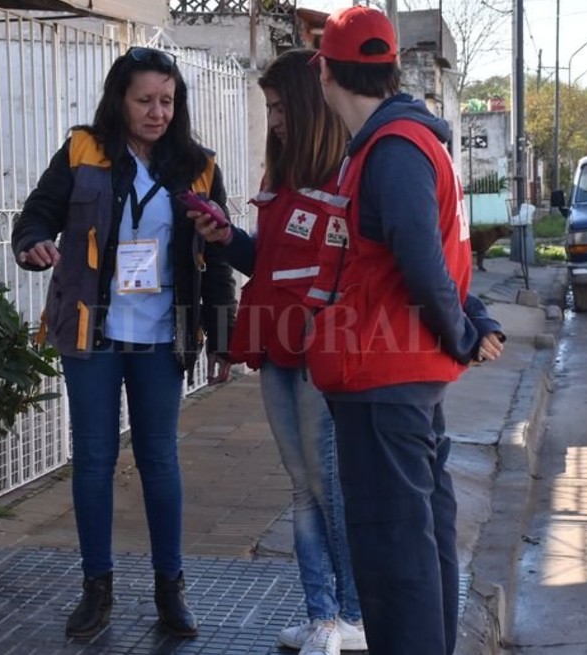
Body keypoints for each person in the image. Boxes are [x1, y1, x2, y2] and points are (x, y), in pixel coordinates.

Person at [11, 45, 236, 640]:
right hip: (93, 332)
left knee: (159, 460)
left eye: (167, 100)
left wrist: (225, 340)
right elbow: (35, 216)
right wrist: (32, 244)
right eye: (145, 100)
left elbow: (215, 258)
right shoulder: (84, 150)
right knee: (93, 460)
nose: (157, 112)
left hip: (163, 336)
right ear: (121, 99)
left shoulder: (199, 167)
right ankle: (96, 589)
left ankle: (171, 589)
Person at [302, 7, 505, 655]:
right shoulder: (407, 143)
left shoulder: (392, 152)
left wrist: (461, 334)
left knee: (395, 555)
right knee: (418, 542)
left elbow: (422, 260)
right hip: (395, 379)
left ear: (327, 72)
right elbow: (433, 260)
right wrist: (465, 327)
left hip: (385, 381)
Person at [190, 49, 365, 655]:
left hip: (324, 348)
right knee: (300, 485)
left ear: (309, 102)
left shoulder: (350, 171)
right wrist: (226, 238)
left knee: (327, 484)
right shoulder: (278, 175)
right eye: (268, 109)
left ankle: (351, 614)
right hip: (277, 343)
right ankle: (322, 616)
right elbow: (265, 262)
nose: (274, 120)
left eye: (279, 106)